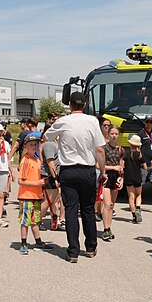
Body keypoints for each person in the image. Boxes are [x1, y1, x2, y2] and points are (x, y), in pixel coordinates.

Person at [43, 91, 106, 263]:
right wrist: (104, 171)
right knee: (87, 208)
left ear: (69, 104)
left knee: (70, 209)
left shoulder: (63, 121)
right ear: (85, 105)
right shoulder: (92, 121)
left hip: (68, 169)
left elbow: (47, 137)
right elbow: (100, 149)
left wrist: (62, 143)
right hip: (87, 169)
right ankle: (91, 247)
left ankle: (73, 251)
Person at [17, 133, 52, 254]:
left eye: (35, 144)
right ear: (25, 146)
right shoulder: (25, 161)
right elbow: (20, 181)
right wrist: (37, 183)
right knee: (25, 221)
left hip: (37, 196)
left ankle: (38, 242)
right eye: (31, 144)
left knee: (35, 220)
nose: (34, 146)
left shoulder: (37, 160)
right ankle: (23, 243)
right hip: (26, 196)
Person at [101, 125, 124, 241]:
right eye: (112, 134)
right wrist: (112, 168)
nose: (114, 136)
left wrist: (122, 178)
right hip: (106, 177)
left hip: (116, 178)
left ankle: (109, 227)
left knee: (111, 205)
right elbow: (98, 165)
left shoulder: (120, 150)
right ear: (108, 134)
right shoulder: (103, 148)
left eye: (116, 134)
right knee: (107, 203)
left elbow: (121, 166)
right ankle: (105, 229)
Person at [39, 121, 63, 232]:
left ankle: (55, 222)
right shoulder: (48, 144)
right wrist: (55, 178)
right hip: (49, 175)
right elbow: (50, 162)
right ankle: (38, 221)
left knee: (55, 200)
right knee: (49, 200)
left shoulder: (55, 144)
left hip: (55, 175)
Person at [138, 116, 152, 212]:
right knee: (141, 185)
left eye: (150, 122)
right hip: (144, 164)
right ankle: (138, 205)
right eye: (147, 121)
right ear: (144, 122)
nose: (149, 124)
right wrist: (142, 162)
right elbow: (138, 149)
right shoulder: (141, 133)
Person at [125, 135, 146, 224]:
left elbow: (122, 166)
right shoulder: (140, 155)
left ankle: (134, 215)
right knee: (139, 195)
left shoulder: (126, 154)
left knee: (131, 197)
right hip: (137, 176)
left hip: (128, 176)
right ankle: (138, 208)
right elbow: (145, 167)